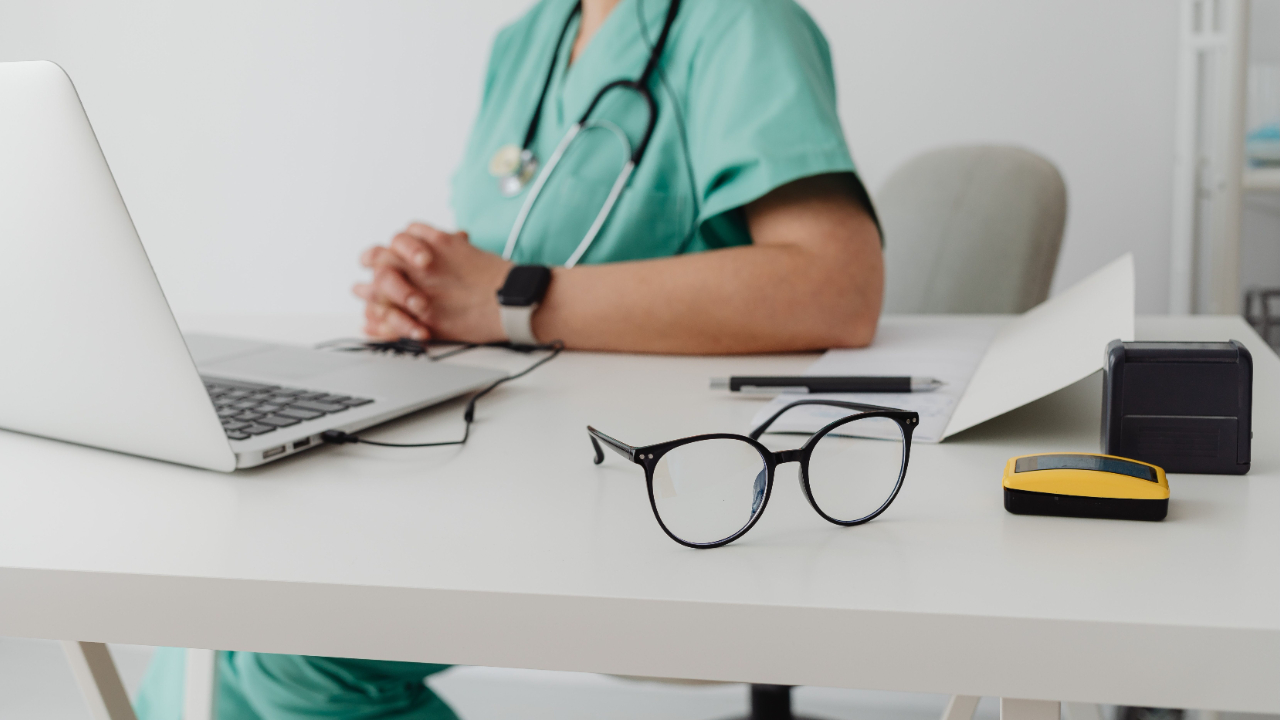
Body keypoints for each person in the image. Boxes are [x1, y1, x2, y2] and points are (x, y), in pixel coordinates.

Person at [136, 0, 882, 717]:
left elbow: (837, 290)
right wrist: (429, 299)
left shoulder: (743, 22)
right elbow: (510, 255)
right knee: (219, 613)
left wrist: (506, 297)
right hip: (509, 456)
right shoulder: (528, 39)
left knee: (295, 653)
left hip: (653, 487)